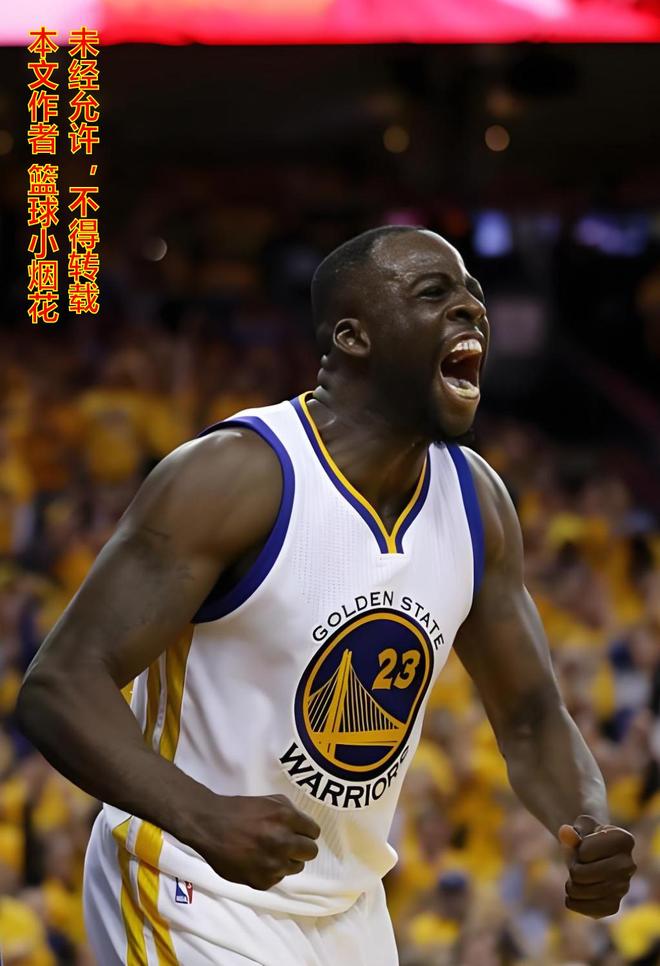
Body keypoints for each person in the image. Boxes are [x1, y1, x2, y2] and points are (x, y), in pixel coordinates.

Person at [17, 227, 636, 965]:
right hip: (191, 883)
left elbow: (531, 715)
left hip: (349, 910)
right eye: (434, 293)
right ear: (353, 336)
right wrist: (202, 817)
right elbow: (60, 685)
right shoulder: (237, 475)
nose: (471, 307)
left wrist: (586, 823)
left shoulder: (478, 503)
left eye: (473, 293)